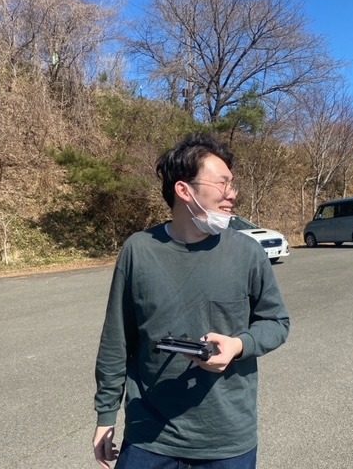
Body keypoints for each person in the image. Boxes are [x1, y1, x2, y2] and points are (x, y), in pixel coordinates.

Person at [92, 132, 290, 469]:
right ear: (184, 190)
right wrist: (106, 414)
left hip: (227, 441)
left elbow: (276, 322)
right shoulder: (139, 250)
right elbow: (117, 339)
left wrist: (238, 345)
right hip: (148, 438)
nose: (232, 194)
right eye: (223, 183)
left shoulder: (247, 253)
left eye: (233, 184)